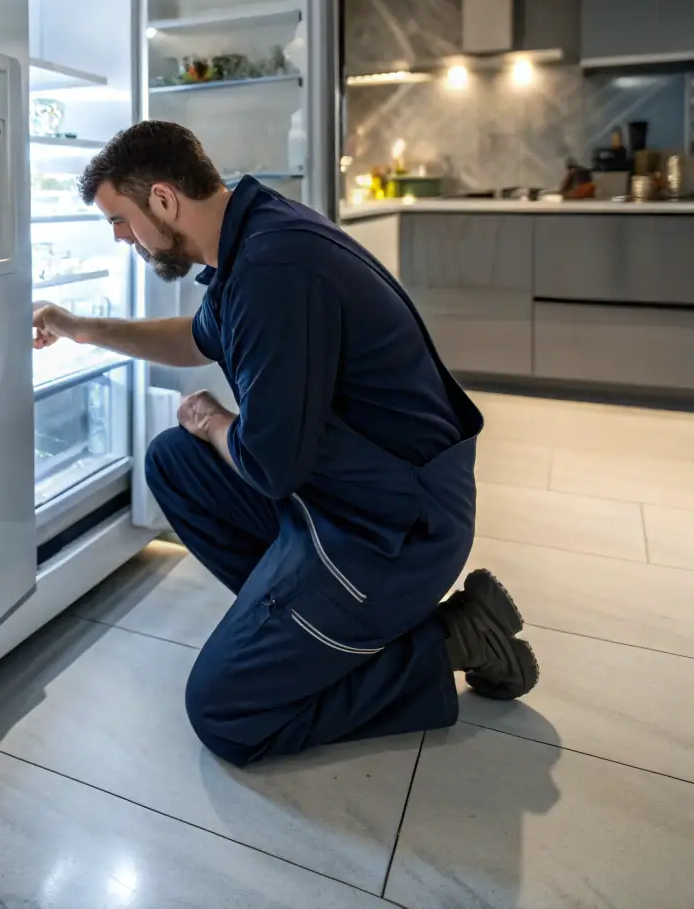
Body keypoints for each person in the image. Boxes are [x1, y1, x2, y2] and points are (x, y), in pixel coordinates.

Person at [32, 121, 538, 767]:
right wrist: (82, 327)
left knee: (228, 713)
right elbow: (195, 337)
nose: (120, 237)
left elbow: (270, 468)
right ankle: (311, 632)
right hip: (348, 493)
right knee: (173, 460)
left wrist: (214, 419)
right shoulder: (256, 233)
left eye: (119, 219)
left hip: (389, 528)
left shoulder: (276, 270)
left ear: (163, 198)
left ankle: (447, 640)